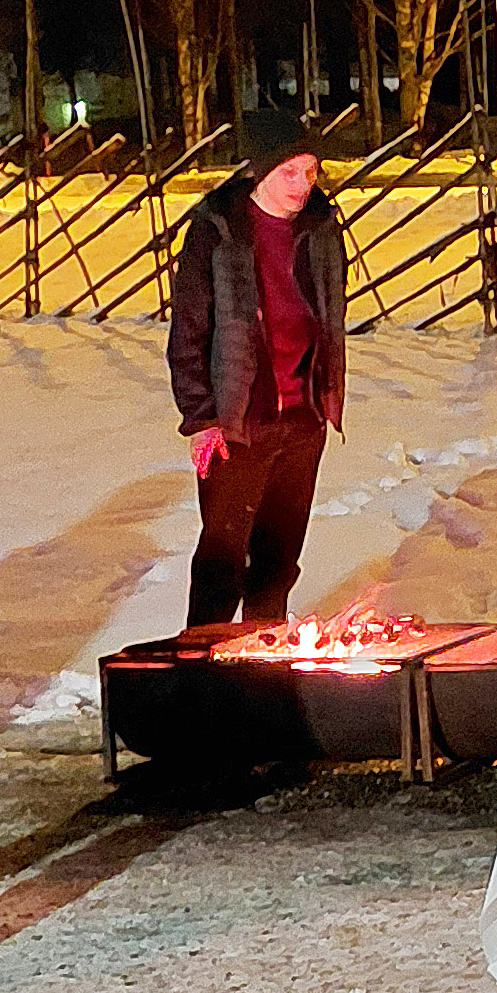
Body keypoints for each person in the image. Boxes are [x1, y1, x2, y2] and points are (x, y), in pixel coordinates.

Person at [168, 116, 346, 626]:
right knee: (222, 562)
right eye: (290, 172)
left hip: (303, 421)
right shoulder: (218, 231)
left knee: (278, 563)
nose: (303, 185)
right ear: (261, 171)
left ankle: (263, 658)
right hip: (236, 424)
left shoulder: (320, 229)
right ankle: (203, 660)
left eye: (311, 171)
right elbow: (189, 332)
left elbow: (327, 317)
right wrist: (201, 418)